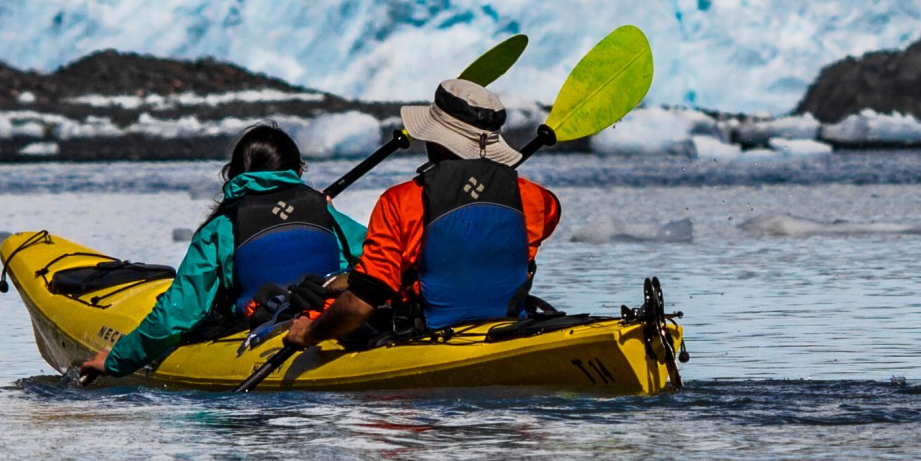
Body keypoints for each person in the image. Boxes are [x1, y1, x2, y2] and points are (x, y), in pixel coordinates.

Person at [284, 77, 560, 350]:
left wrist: (308, 334)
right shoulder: (539, 199)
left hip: (425, 333)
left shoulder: (399, 201)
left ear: (437, 140)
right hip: (507, 322)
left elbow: (361, 303)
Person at [78, 123, 364, 381]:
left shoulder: (221, 228)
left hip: (261, 329)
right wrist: (326, 216)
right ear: (299, 171)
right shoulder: (330, 215)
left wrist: (117, 361)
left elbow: (177, 314)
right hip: (330, 321)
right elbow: (382, 260)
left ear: (232, 175)